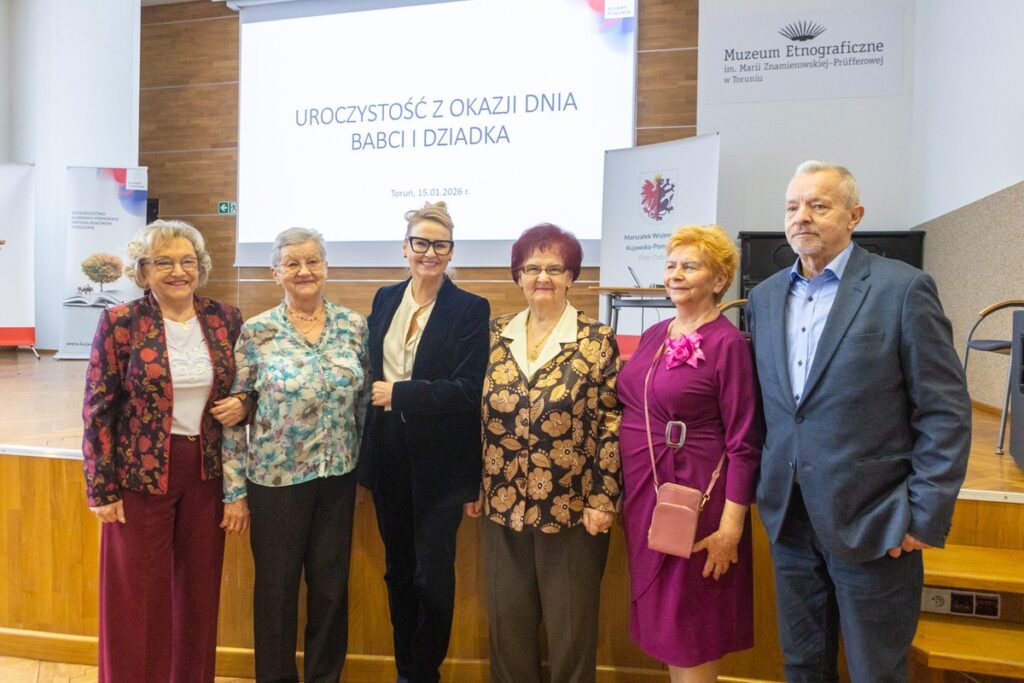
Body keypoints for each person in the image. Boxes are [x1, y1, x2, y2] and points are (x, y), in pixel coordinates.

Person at [746, 161, 971, 682]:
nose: (802, 217)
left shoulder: (903, 289)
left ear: (855, 216)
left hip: (876, 521)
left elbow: (945, 410)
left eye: (818, 205)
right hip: (790, 517)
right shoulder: (764, 297)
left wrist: (921, 515)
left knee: (877, 672)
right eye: (792, 206)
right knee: (802, 665)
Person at [82, 219, 248, 683]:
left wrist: (245, 403)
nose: (178, 271)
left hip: (206, 472)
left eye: (187, 261)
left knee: (197, 595)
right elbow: (98, 408)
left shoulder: (225, 318)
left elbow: (245, 387)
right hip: (139, 476)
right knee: (137, 599)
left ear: (200, 267)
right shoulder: (120, 322)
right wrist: (101, 487)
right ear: (143, 270)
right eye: (164, 262)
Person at [467, 223, 621, 683]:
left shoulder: (596, 339)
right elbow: (474, 417)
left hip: (571, 507)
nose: (543, 277)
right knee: (508, 628)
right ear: (517, 275)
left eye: (555, 268)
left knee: (570, 632)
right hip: (502, 502)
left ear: (571, 275)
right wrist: (473, 484)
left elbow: (612, 422)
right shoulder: (493, 336)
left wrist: (603, 497)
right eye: (532, 267)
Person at [221, 227, 370, 683]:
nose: (304, 271)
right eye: (292, 263)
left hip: (337, 478)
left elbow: (362, 405)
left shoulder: (354, 325)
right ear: (275, 272)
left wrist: (365, 472)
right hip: (275, 484)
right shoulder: (258, 331)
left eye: (313, 261)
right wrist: (233, 492)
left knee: (330, 591)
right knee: (277, 594)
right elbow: (234, 411)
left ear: (326, 267)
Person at [615, 225, 763, 682]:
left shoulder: (729, 344)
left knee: (691, 624)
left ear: (719, 280)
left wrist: (730, 530)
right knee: (665, 622)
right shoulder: (657, 331)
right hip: (648, 493)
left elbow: (745, 442)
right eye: (671, 265)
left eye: (690, 266)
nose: (676, 274)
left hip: (699, 498)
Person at [358, 201, 490, 683]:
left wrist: (401, 394)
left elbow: (468, 390)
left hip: (442, 466)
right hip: (388, 455)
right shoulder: (385, 298)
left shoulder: (471, 309)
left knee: (432, 577)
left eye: (440, 245)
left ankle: (424, 673)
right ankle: (404, 671)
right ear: (406, 246)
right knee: (397, 572)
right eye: (421, 243)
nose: (429, 252)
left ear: (451, 251)